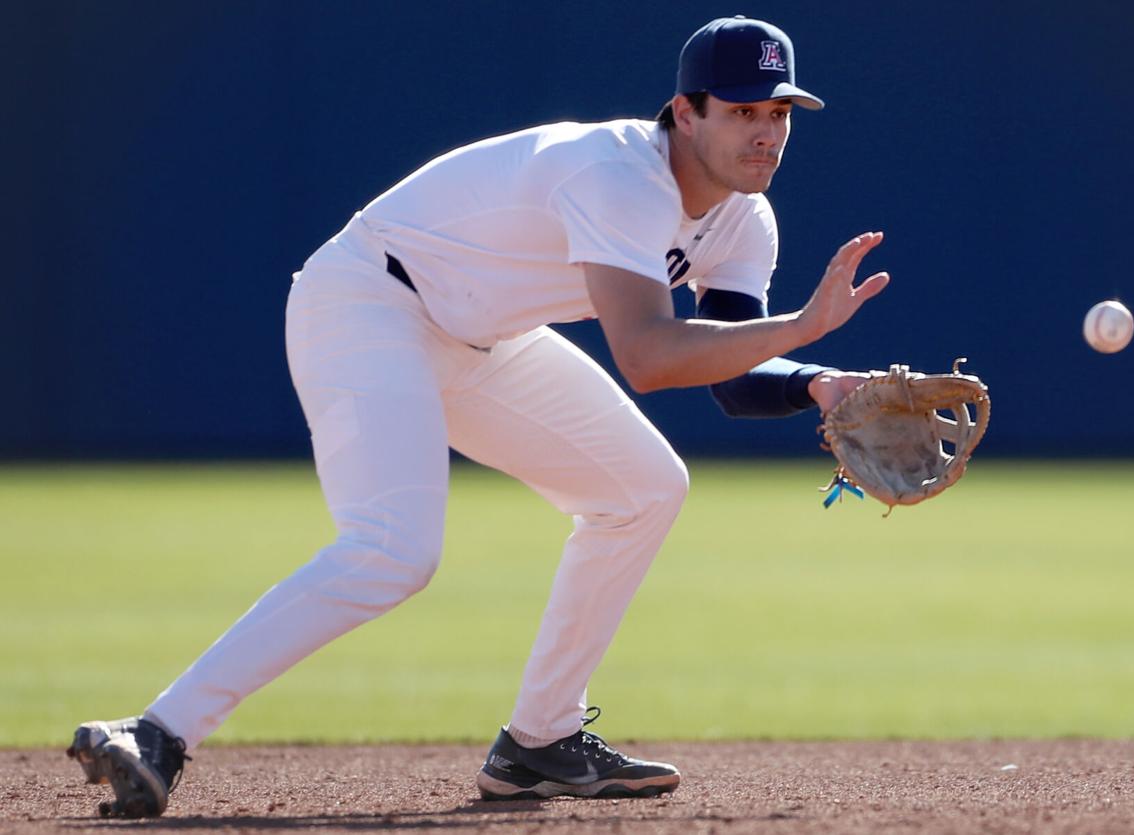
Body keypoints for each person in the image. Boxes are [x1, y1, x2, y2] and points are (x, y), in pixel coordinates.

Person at [67, 15, 888, 817]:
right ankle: (158, 731)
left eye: (778, 112)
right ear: (684, 112)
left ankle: (540, 740)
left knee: (644, 488)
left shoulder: (745, 218)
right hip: (368, 301)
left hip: (481, 337)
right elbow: (647, 356)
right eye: (742, 109)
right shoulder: (615, 173)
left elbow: (732, 376)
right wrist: (803, 329)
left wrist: (814, 379)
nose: (765, 131)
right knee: (394, 547)